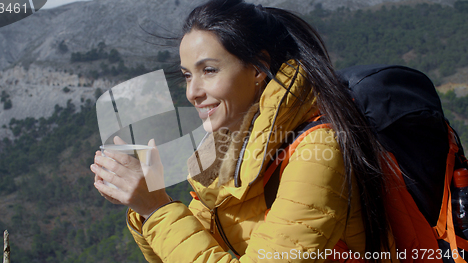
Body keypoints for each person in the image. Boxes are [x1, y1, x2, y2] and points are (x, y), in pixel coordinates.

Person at [90, 0, 398, 262]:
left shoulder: (317, 149)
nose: (192, 92)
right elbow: (190, 247)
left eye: (208, 70)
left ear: (256, 68)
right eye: (187, 75)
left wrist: (156, 206)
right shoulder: (229, 146)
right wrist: (145, 207)